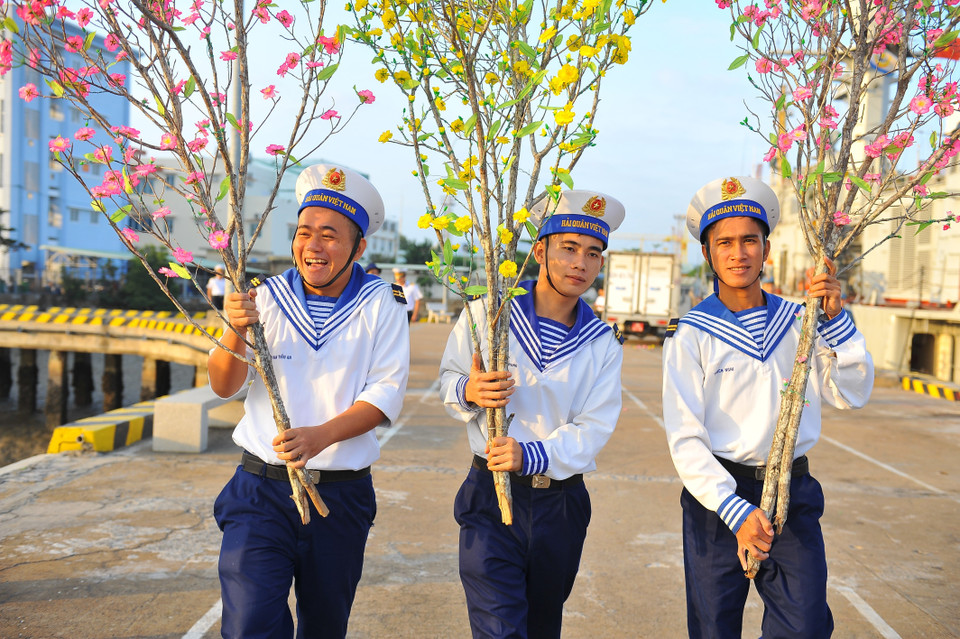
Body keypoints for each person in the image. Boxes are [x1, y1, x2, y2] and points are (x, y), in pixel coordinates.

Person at [661, 176, 874, 639]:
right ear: (707, 254)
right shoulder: (690, 334)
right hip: (718, 500)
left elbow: (851, 392)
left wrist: (836, 321)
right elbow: (685, 437)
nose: (738, 253)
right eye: (725, 243)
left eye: (749, 241)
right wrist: (734, 510)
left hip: (791, 491)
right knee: (714, 629)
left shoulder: (801, 319)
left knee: (805, 626)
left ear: (766, 249)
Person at [208, 162, 410, 639]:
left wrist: (321, 436)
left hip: (339, 496)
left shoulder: (383, 303)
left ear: (359, 247)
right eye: (304, 233)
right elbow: (223, 384)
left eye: (330, 235)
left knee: (324, 625)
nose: (313, 246)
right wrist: (234, 329)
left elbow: (385, 393)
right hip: (261, 489)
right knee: (249, 623)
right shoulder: (264, 297)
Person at [439, 190, 626, 639]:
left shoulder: (602, 342)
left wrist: (532, 455)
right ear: (539, 251)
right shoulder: (489, 314)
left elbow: (594, 426)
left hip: (560, 505)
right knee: (499, 629)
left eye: (592, 253)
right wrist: (470, 390)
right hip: (491, 494)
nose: (580, 263)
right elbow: (449, 382)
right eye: (569, 248)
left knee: (542, 627)